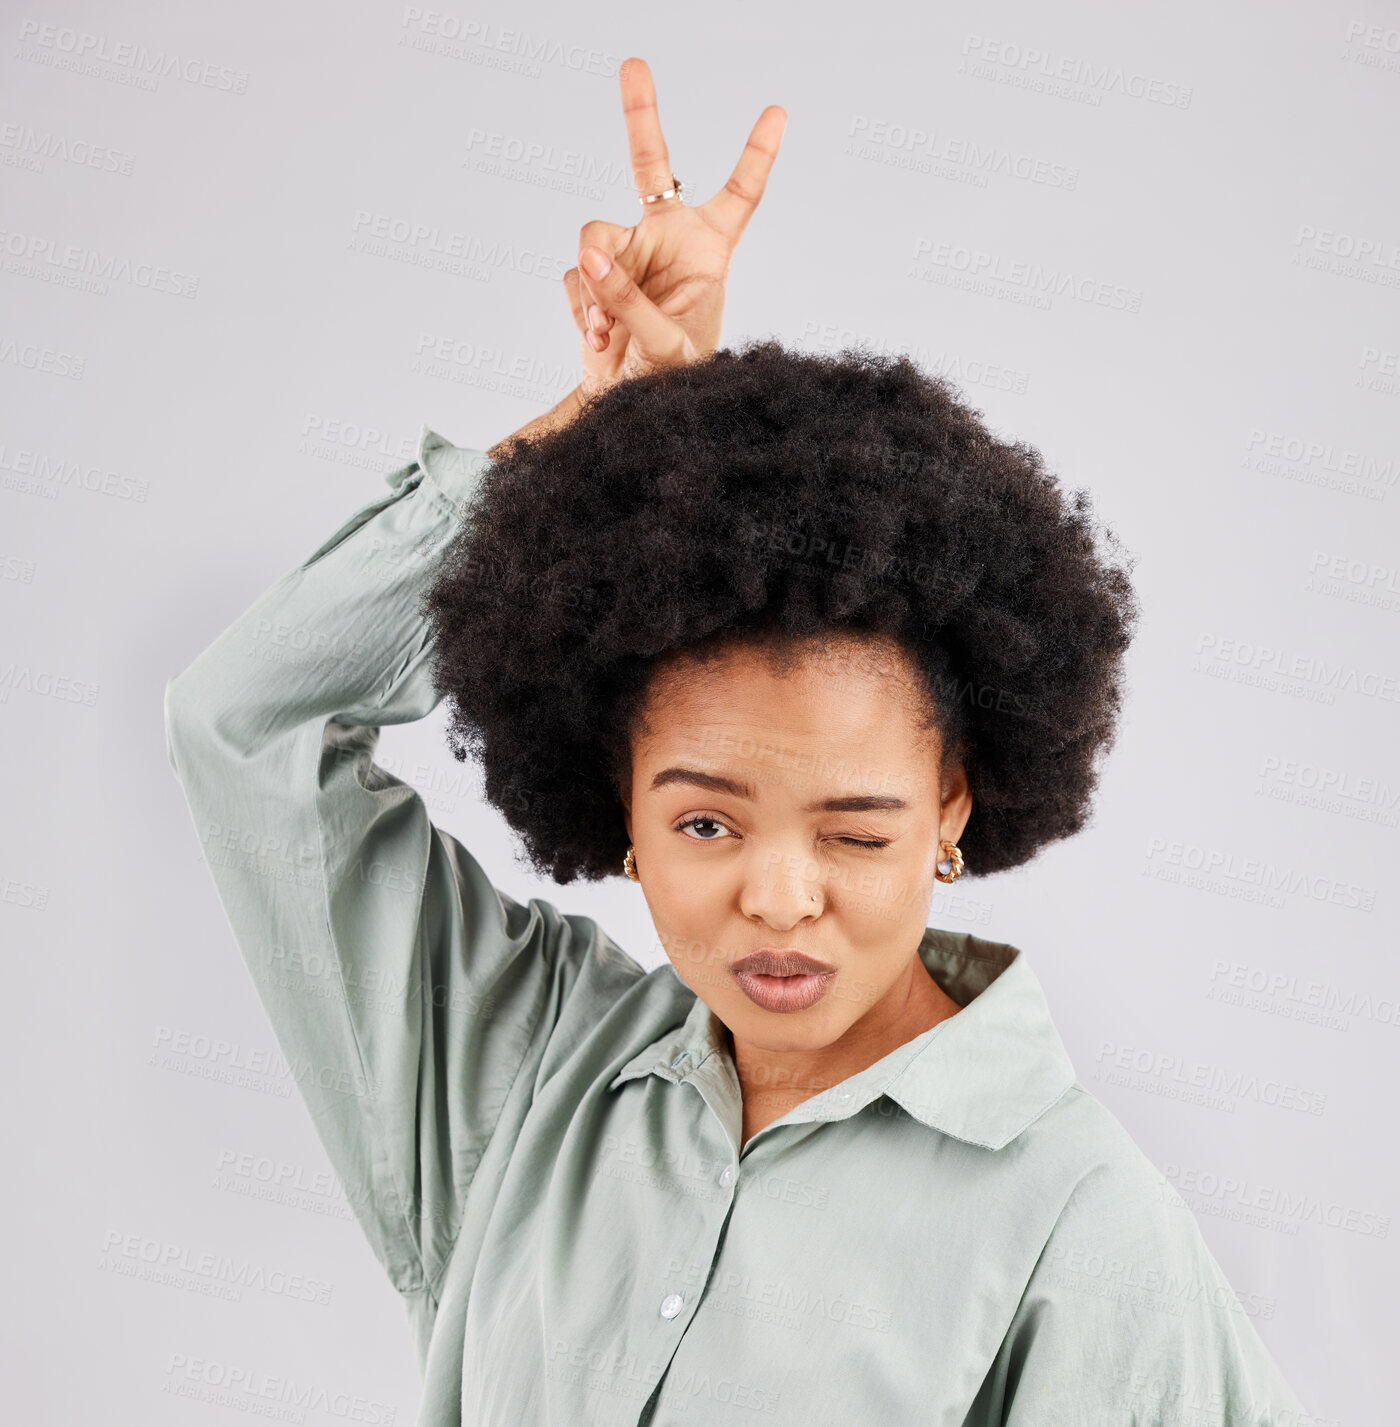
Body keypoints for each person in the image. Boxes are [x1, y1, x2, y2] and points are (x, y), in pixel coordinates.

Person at [163, 56, 1312, 1427]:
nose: (778, 898)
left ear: (955, 806)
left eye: (855, 829)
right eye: (706, 821)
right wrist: (593, 440)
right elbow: (248, 723)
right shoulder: (522, 1077)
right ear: (622, 811)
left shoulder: (1081, 1233)